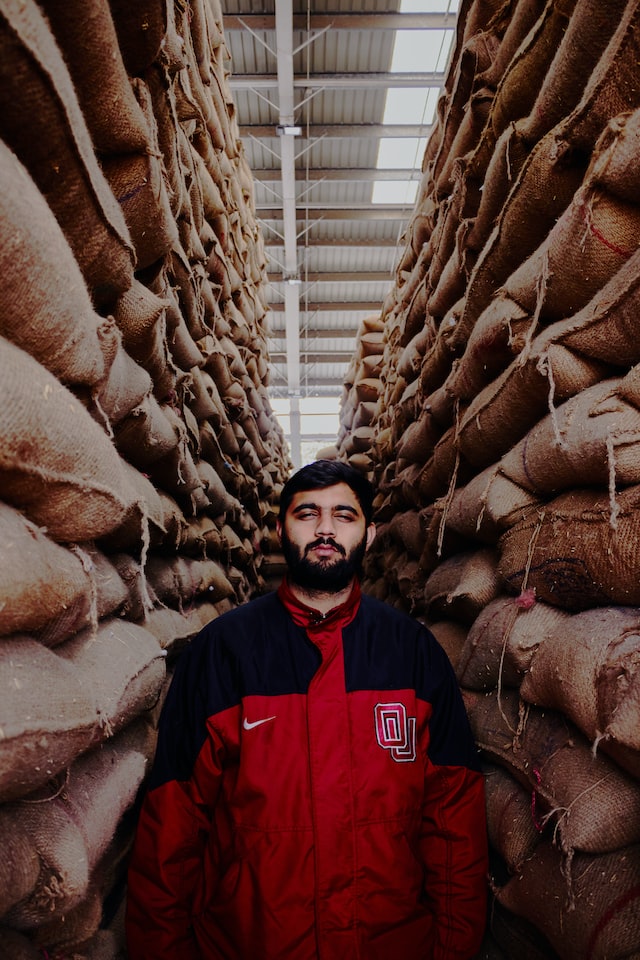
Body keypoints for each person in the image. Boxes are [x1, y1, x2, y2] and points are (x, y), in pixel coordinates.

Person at [126, 459, 488, 960]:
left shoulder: (414, 654)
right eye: (307, 514)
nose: (325, 529)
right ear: (281, 529)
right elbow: (172, 830)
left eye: (344, 515)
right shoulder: (223, 652)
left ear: (370, 532)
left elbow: (453, 825)